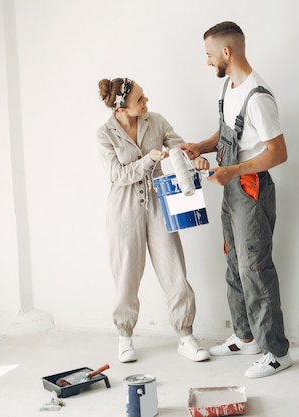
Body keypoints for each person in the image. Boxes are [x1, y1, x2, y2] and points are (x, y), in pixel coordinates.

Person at [180, 21, 291, 378]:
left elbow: (278, 153)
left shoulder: (258, 97)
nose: (208, 62)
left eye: (210, 55)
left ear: (227, 52)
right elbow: (230, 132)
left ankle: (276, 351)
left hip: (252, 190)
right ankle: (245, 337)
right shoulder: (231, 86)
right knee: (234, 265)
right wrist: (201, 145)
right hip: (231, 188)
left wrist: (232, 171)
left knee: (255, 268)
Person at [96, 77, 209, 363]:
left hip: (159, 199)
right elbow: (118, 176)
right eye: (140, 100)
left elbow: (181, 147)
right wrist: (148, 160)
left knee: (174, 267)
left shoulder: (155, 121)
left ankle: (185, 335)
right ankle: (125, 337)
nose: (146, 102)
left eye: (144, 97)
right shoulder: (104, 134)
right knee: (126, 275)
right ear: (122, 108)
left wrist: (193, 158)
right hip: (124, 207)